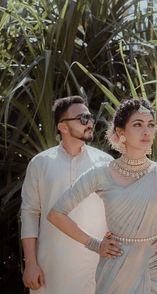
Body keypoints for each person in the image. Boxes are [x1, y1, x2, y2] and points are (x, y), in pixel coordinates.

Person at [47, 98, 157, 294]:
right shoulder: (100, 173)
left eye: (151, 125)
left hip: (156, 267)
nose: (146, 131)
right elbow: (56, 214)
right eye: (138, 124)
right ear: (121, 133)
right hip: (116, 267)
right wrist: (95, 245)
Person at [20, 95, 114, 294]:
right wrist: (30, 264)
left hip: (96, 269)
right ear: (62, 127)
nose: (89, 123)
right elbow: (29, 213)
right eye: (82, 119)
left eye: (90, 118)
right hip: (51, 270)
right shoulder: (40, 163)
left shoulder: (105, 163)